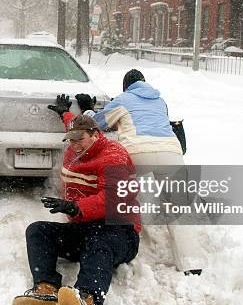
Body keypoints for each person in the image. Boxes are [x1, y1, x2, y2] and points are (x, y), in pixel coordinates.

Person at [12, 111, 141, 305]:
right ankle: (46, 290)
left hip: (120, 230)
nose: (74, 144)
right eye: (70, 140)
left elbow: (114, 197)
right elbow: (77, 128)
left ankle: (85, 303)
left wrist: (76, 207)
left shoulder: (114, 155)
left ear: (95, 134)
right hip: (85, 226)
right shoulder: (76, 148)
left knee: (99, 244)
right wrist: (66, 114)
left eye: (79, 139)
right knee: (38, 231)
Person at [74, 69, 205, 275]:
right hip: (170, 153)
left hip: (137, 154)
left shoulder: (123, 99)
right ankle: (191, 265)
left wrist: (88, 109)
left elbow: (97, 124)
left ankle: (114, 245)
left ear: (126, 86)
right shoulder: (160, 101)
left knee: (119, 195)